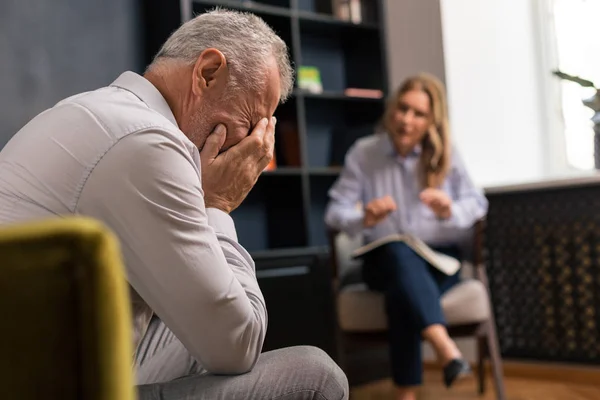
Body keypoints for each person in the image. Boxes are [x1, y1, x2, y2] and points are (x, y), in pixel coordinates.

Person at [0, 9, 349, 400]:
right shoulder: (148, 142)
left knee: (191, 317)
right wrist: (216, 204)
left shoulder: (98, 111)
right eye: (252, 124)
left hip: (47, 364)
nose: (256, 150)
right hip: (50, 385)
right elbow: (239, 345)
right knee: (318, 376)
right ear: (207, 73)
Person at [324, 73, 488, 400]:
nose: (406, 120)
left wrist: (449, 210)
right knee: (398, 252)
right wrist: (364, 216)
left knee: (404, 291)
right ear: (391, 109)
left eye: (418, 114)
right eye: (402, 109)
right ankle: (446, 349)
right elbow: (334, 212)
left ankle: (407, 394)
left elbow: (477, 204)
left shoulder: (446, 154)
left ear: (431, 121)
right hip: (380, 261)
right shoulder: (364, 153)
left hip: (438, 262)